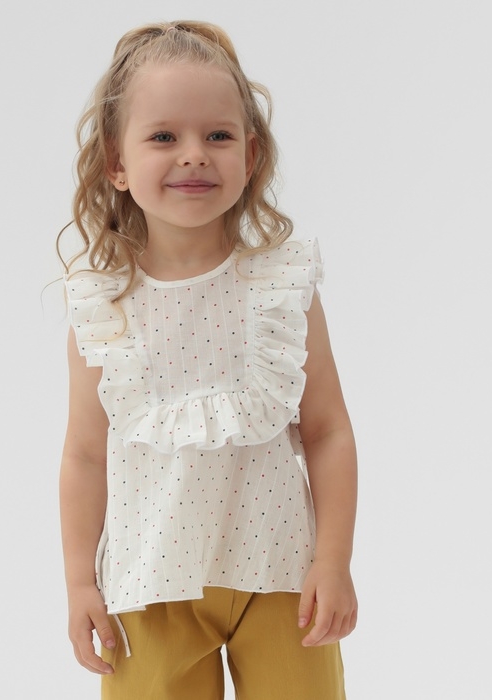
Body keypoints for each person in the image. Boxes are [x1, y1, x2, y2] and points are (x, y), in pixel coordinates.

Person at [57, 20, 358, 700]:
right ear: (116, 162)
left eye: (218, 135)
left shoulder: (280, 287)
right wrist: (79, 582)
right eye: (164, 136)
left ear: (250, 156)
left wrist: (334, 560)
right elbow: (84, 455)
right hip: (148, 583)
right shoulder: (102, 305)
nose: (194, 155)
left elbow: (327, 430)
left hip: (282, 576)